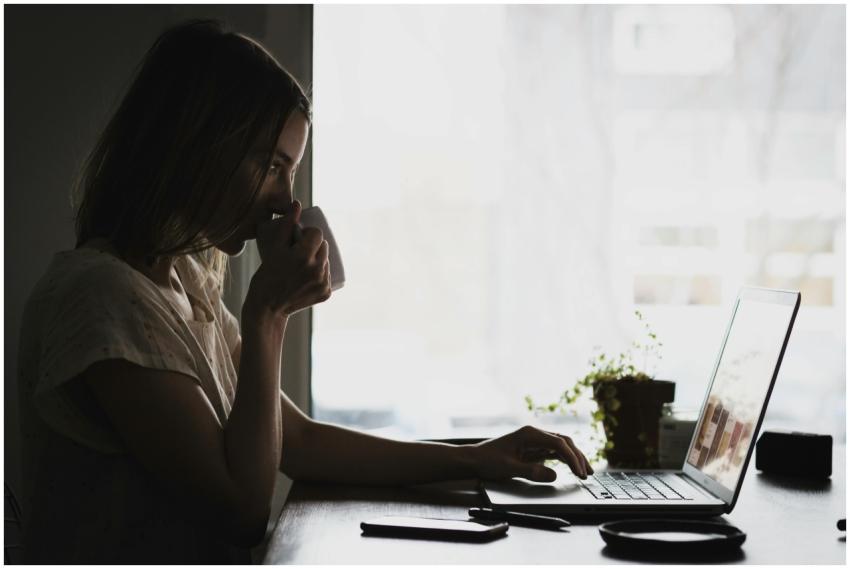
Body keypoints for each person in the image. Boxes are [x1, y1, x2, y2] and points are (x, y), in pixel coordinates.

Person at [17, 19, 592, 564]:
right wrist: (268, 313)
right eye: (273, 166)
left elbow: (297, 439)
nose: (286, 200)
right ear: (198, 147)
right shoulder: (103, 298)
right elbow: (240, 511)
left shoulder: (184, 284)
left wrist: (477, 458)